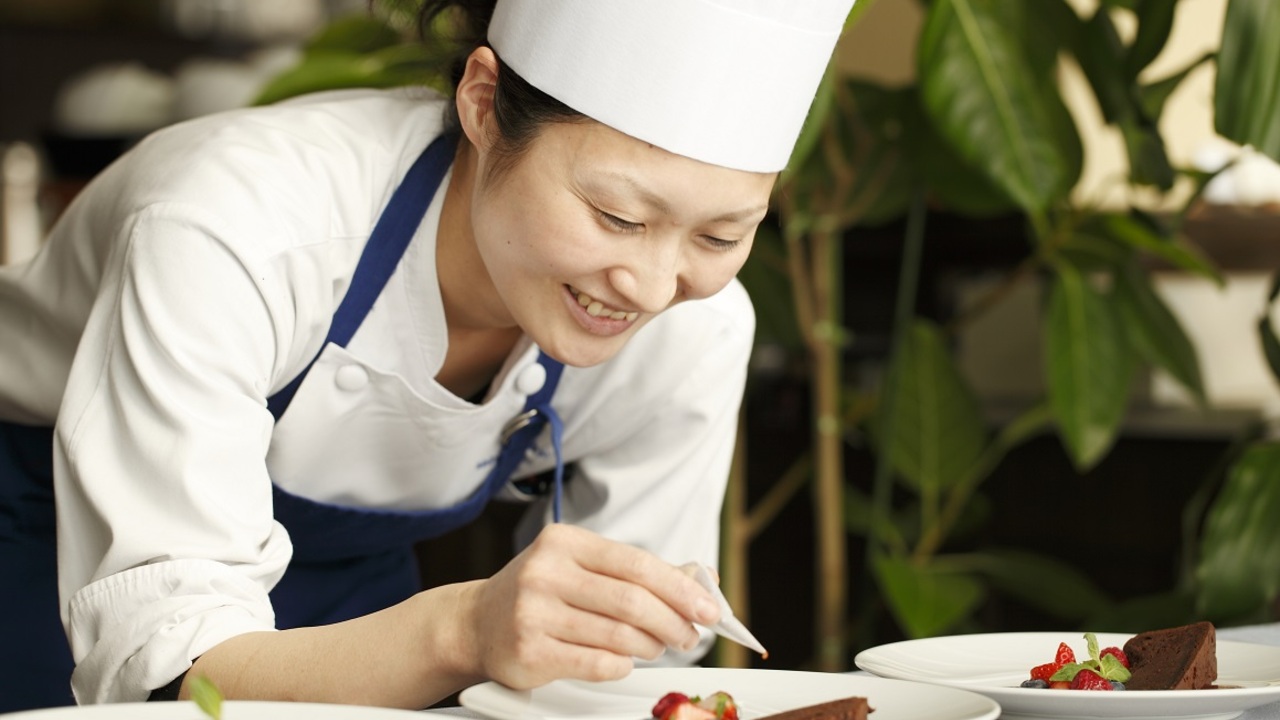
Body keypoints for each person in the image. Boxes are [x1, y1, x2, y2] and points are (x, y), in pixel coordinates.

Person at [0, 0, 854, 711]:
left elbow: (622, 664)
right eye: (617, 218)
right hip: (50, 550)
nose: (654, 286)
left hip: (359, 610)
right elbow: (169, 670)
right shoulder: (233, 225)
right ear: (482, 104)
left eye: (720, 235)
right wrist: (463, 631)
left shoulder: (696, 326)